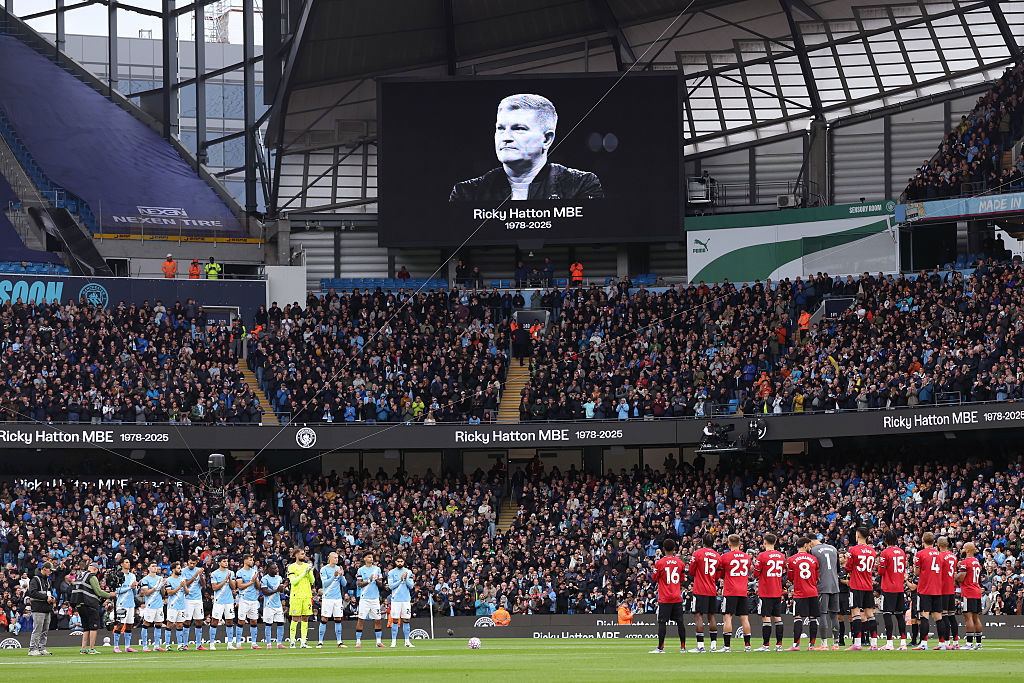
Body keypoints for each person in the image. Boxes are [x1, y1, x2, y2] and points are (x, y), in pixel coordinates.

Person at [449, 94, 604, 202]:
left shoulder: (580, 185)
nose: (506, 137)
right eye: (501, 128)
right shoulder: (467, 193)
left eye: (519, 129)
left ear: (547, 139)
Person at [649, 537, 686, 654]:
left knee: (662, 622)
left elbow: (654, 579)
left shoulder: (659, 563)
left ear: (663, 549)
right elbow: (682, 579)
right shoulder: (680, 563)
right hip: (676, 596)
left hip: (665, 597)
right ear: (674, 549)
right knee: (680, 622)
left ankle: (660, 648)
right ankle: (683, 648)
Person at [845, 526, 878, 650]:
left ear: (858, 535)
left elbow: (848, 568)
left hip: (856, 585)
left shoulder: (853, 550)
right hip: (868, 585)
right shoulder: (872, 551)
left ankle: (857, 643)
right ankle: (874, 643)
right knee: (870, 614)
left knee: (856, 612)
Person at [717, 534, 751, 652]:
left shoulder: (725, 557)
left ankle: (727, 647)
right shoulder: (747, 557)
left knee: (727, 617)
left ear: (729, 544)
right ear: (740, 544)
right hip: (742, 590)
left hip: (730, 591)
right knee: (744, 618)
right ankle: (747, 646)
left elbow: (720, 574)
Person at [912, 531, 945, 650]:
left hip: (925, 588)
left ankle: (924, 643)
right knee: (938, 617)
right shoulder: (940, 554)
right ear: (934, 542)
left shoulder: (920, 554)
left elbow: (917, 572)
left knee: (924, 616)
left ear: (922, 541)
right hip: (937, 588)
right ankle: (942, 643)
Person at [752, 533, 786, 651]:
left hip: (766, 591)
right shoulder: (781, 556)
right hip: (777, 590)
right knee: (778, 617)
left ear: (765, 543)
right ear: (775, 543)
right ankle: (779, 645)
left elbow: (755, 573)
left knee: (766, 618)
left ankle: (766, 645)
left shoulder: (762, 556)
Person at [687, 533, 720, 653]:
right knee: (711, 617)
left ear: (703, 542)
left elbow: (691, 571)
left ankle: (701, 646)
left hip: (699, 589)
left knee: (698, 616)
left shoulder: (697, 553)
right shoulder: (717, 556)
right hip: (712, 589)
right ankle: (714, 646)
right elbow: (718, 575)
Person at [786, 537, 820, 651]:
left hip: (800, 593)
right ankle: (812, 646)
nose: (810, 546)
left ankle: (796, 645)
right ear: (805, 545)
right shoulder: (814, 559)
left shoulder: (791, 559)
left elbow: (790, 578)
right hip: (813, 591)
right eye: (809, 545)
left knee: (798, 617)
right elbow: (816, 577)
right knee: (813, 618)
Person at [70, 559, 110, 655]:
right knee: (93, 627)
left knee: (86, 627)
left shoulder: (79, 576)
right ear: (95, 569)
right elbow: (98, 592)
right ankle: (92, 648)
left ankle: (83, 649)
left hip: (79, 605)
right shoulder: (92, 576)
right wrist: (110, 595)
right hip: (90, 604)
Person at [877, 530, 908, 650]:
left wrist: (878, 566)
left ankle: (889, 643)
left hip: (888, 587)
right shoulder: (901, 552)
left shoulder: (885, 553)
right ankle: (903, 643)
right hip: (900, 587)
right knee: (900, 615)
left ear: (885, 540)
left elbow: (881, 572)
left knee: (887, 614)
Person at [809, 536, 839, 650]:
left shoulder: (813, 551)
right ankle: (836, 644)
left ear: (811, 542)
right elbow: (837, 568)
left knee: (822, 614)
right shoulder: (833, 548)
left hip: (822, 586)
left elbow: (813, 568)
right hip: (835, 585)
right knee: (834, 615)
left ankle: (824, 644)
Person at [956, 542, 984, 649]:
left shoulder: (965, 562)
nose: (962, 550)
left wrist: (955, 575)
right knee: (976, 617)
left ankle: (968, 643)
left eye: (963, 548)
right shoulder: (976, 561)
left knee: (968, 618)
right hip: (977, 590)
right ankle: (978, 643)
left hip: (968, 591)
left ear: (967, 550)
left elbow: (961, 577)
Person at [355, 551, 385, 648]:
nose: (371, 559)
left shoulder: (377, 569)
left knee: (378, 620)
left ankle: (378, 642)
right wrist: (369, 581)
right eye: (369, 557)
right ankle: (358, 642)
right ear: (364, 559)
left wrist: (376, 580)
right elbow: (359, 584)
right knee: (361, 619)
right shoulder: (360, 570)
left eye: (372, 557)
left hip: (375, 598)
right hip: (365, 598)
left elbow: (381, 585)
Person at [287, 548, 315, 648]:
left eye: (304, 554)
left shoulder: (307, 566)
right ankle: (292, 642)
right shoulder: (291, 567)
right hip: (296, 596)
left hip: (307, 595)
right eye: (302, 554)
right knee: (295, 618)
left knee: (305, 618)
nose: (304, 555)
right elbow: (293, 582)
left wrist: (310, 572)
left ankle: (303, 642)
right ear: (296, 555)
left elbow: (312, 580)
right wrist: (304, 573)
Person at [318, 551, 347, 648]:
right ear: (329, 558)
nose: (336, 559)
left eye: (337, 557)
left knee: (338, 618)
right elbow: (325, 584)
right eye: (334, 557)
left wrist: (341, 575)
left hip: (337, 598)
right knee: (324, 618)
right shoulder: (324, 569)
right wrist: (334, 576)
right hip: (327, 597)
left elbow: (344, 584)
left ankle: (339, 642)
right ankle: (320, 642)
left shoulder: (339, 568)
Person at [387, 555, 415, 648]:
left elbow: (411, 586)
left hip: (406, 599)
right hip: (395, 600)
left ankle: (407, 641)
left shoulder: (408, 572)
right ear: (395, 562)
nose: (400, 563)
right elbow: (391, 586)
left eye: (401, 561)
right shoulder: (391, 572)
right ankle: (393, 641)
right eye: (398, 561)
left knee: (406, 619)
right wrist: (400, 579)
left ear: (404, 562)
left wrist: (406, 578)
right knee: (395, 620)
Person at [27, 561, 55, 656]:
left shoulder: (48, 580)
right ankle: (32, 649)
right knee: (37, 630)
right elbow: (32, 593)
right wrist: (46, 598)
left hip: (47, 608)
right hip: (38, 608)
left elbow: (49, 593)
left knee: (45, 631)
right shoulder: (35, 579)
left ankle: (42, 648)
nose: (51, 572)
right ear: (44, 568)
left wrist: (52, 598)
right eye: (50, 570)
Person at [138, 563, 167, 652]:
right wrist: (156, 586)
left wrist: (162, 586)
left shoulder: (160, 578)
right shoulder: (145, 579)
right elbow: (146, 593)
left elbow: (163, 593)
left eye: (156, 566)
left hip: (159, 605)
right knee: (146, 623)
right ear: (149, 568)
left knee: (158, 624)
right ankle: (145, 646)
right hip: (150, 605)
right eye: (153, 566)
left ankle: (157, 646)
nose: (155, 568)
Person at [209, 555, 236, 650]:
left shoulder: (231, 573)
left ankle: (230, 644)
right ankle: (212, 643)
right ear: (219, 563)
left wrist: (229, 579)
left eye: (227, 561)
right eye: (224, 561)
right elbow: (214, 588)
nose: (226, 563)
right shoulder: (214, 574)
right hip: (219, 601)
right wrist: (225, 580)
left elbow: (233, 587)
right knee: (215, 621)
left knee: (229, 621)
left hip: (229, 601)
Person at [937, 536, 959, 649]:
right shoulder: (953, 556)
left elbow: (937, 572)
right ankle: (956, 642)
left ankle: (946, 642)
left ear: (939, 545)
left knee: (944, 616)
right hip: (951, 589)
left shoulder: (940, 556)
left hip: (942, 589)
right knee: (952, 616)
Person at [235, 555, 262, 649]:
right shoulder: (240, 572)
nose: (252, 561)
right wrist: (251, 581)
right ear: (245, 561)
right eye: (250, 560)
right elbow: (240, 586)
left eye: (253, 560)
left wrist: (256, 580)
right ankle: (238, 643)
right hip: (244, 599)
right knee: (241, 621)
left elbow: (258, 587)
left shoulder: (254, 571)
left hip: (254, 599)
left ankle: (253, 643)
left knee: (254, 620)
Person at [112, 557, 139, 653]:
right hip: (121, 603)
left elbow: (135, 591)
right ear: (122, 564)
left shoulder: (132, 576)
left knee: (129, 625)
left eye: (129, 562)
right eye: (126, 562)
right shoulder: (118, 575)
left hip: (131, 603)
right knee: (120, 624)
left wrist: (135, 588)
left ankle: (127, 646)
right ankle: (116, 646)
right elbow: (117, 591)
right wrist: (129, 588)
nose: (128, 564)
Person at [260, 562, 288, 649]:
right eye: (274, 568)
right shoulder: (265, 579)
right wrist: (276, 590)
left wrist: (284, 588)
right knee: (268, 624)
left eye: (276, 568)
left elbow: (281, 591)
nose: (276, 570)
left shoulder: (279, 578)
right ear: (268, 569)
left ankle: (279, 643)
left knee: (280, 623)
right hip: (269, 605)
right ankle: (269, 644)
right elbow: (264, 592)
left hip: (278, 605)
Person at [181, 555, 206, 650]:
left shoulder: (199, 570)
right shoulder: (183, 571)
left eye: (194, 563)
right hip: (187, 599)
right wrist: (195, 576)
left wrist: (200, 576)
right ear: (188, 562)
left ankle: (199, 645)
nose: (192, 565)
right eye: (190, 563)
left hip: (198, 599)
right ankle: (185, 644)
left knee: (199, 621)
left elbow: (203, 585)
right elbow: (185, 585)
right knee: (187, 621)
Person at [163, 561, 189, 651]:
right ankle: (167, 645)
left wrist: (184, 586)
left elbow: (187, 592)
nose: (180, 569)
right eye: (178, 568)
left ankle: (180, 645)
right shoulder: (169, 580)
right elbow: (169, 593)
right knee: (170, 624)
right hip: (173, 605)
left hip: (181, 606)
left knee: (180, 625)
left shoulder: (182, 579)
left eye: (180, 568)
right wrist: (179, 586)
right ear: (173, 570)